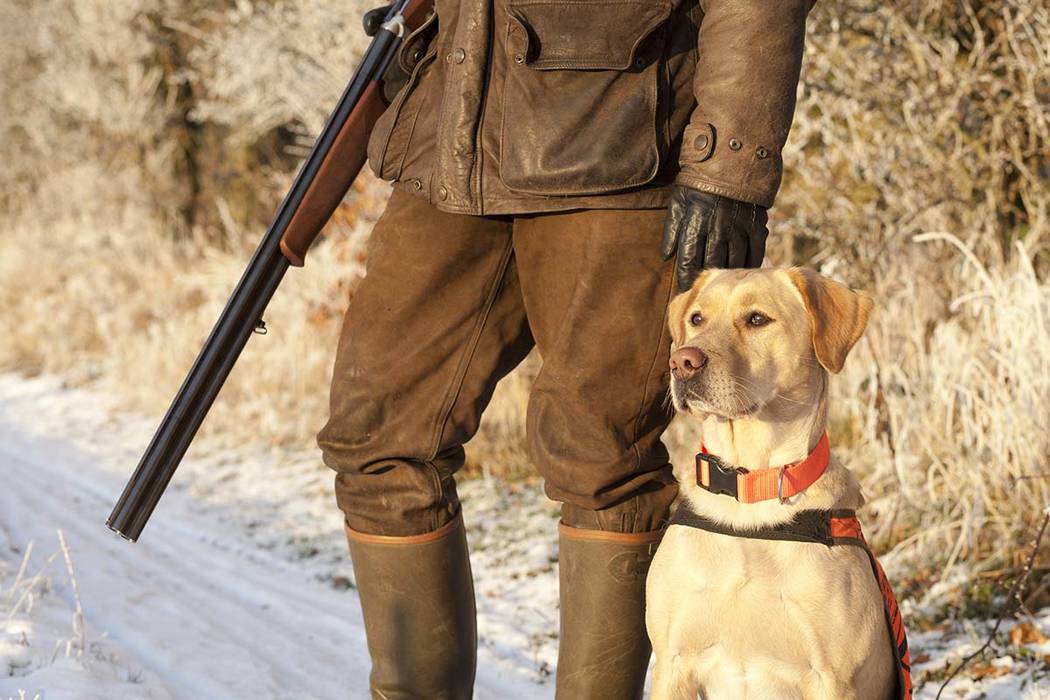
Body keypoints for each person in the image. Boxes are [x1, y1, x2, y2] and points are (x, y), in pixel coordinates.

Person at [316, 0, 814, 697]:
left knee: (600, 454)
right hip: (448, 140)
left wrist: (730, 163)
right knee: (376, 437)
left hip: (618, 148)